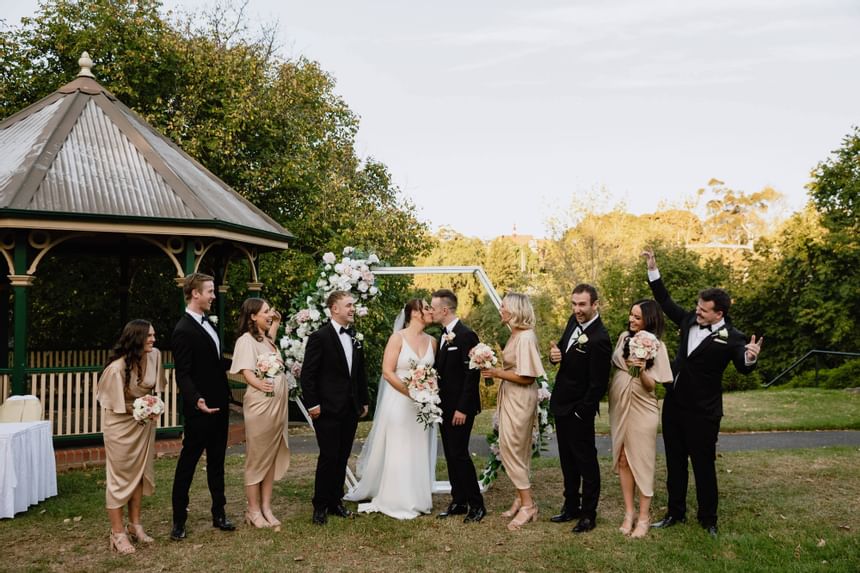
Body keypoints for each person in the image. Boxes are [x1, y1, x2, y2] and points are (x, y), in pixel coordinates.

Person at [642, 249, 763, 537]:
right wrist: (653, 270)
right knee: (674, 463)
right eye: (697, 307)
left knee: (703, 467)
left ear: (719, 313)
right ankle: (675, 513)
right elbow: (665, 301)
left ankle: (708, 519)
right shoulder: (688, 321)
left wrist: (751, 357)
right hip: (674, 405)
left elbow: (743, 368)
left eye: (703, 310)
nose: (697, 312)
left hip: (704, 412)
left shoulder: (733, 338)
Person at [344, 299, 436, 519]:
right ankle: (396, 499)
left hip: (422, 405)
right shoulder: (397, 338)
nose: (431, 312)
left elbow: (433, 374)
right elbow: (387, 372)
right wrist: (411, 392)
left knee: (418, 447)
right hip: (400, 402)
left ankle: (418, 498)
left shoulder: (433, 341)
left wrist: (428, 393)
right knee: (400, 448)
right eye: (427, 309)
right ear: (415, 313)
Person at [170, 273, 235, 541]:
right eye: (209, 291)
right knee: (188, 463)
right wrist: (196, 399)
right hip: (200, 410)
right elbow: (182, 373)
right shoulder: (183, 330)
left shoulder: (209, 324)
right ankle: (178, 521)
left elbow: (215, 364)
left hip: (220, 406)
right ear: (195, 293)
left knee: (218, 461)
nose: (213, 295)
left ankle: (219, 513)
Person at [300, 290, 370, 525]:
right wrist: (313, 404)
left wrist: (364, 401)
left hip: (350, 409)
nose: (352, 309)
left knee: (342, 456)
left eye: (353, 305)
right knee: (328, 457)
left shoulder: (354, 338)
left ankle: (335, 502)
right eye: (348, 305)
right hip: (326, 409)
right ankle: (319, 505)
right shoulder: (320, 337)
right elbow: (308, 375)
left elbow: (359, 373)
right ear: (334, 309)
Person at [98, 319, 166, 554]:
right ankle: (117, 533)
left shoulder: (155, 356)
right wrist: (142, 408)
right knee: (119, 478)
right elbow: (114, 405)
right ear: (136, 338)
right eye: (148, 336)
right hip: (119, 425)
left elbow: (155, 388)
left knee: (139, 474)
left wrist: (152, 406)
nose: (153, 340)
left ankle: (135, 525)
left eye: (154, 335)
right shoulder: (116, 369)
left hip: (143, 424)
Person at [548, 283, 612, 534]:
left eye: (582, 304)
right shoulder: (572, 322)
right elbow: (563, 351)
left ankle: (588, 515)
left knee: (586, 462)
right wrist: (555, 355)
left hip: (578, 411)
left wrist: (581, 411)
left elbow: (598, 385)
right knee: (567, 459)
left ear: (595, 305)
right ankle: (570, 506)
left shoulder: (600, 338)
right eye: (574, 304)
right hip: (561, 405)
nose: (577, 309)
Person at [479, 293, 546, 531]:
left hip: (520, 397)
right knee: (514, 447)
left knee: (512, 447)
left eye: (503, 307)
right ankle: (521, 497)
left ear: (515, 310)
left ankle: (528, 505)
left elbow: (527, 377)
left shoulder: (526, 337)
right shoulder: (515, 334)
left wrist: (496, 373)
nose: (501, 311)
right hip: (510, 395)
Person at [608, 300, 672, 538]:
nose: (631, 320)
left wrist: (642, 368)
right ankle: (629, 512)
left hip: (643, 408)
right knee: (624, 458)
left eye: (636, 317)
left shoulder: (658, 347)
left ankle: (644, 517)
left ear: (649, 320)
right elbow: (616, 365)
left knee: (642, 461)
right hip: (620, 405)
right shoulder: (624, 337)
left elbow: (651, 387)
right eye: (631, 315)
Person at [229, 298, 290, 530]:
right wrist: (259, 384)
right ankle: (252, 510)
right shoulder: (246, 340)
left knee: (271, 456)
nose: (269, 314)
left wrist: (275, 321)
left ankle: (266, 507)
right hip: (260, 405)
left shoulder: (266, 340)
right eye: (265, 312)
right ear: (253, 316)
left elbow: (272, 330)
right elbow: (246, 371)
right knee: (257, 457)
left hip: (277, 407)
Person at [430, 288, 486, 523]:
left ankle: (477, 505)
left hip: (460, 408)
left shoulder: (465, 335)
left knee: (460, 454)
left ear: (444, 309)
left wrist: (462, 408)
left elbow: (471, 376)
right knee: (451, 455)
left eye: (433, 308)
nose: (430, 312)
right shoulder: (444, 335)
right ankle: (459, 500)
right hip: (445, 406)